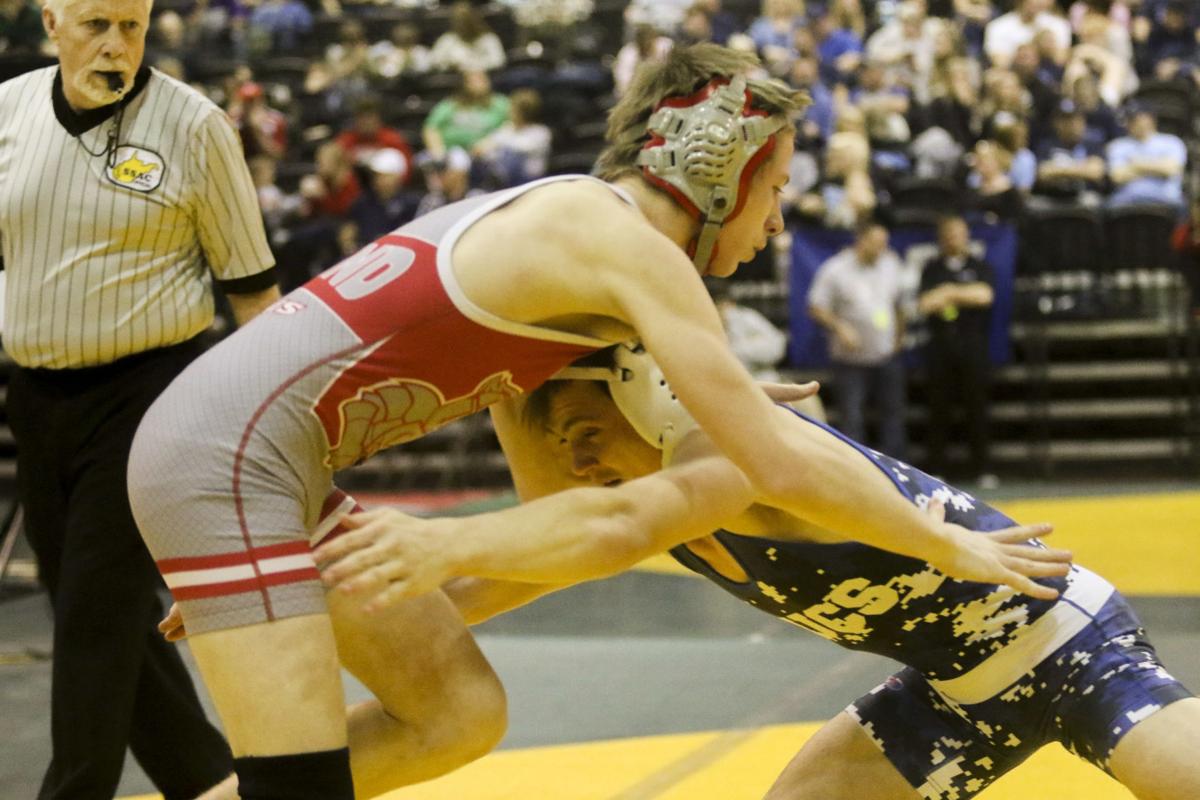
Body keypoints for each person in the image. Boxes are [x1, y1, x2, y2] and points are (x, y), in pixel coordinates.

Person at [127, 44, 1075, 800]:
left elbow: (553, 530)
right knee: (299, 787)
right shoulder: (622, 245)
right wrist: (942, 542)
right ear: (718, 169)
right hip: (230, 464)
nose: (779, 222)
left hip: (251, 466)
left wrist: (309, 595)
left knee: (456, 711)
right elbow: (777, 464)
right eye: (776, 188)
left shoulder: (571, 248)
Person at [313, 355, 1199, 800]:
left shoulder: (741, 458)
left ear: (653, 398)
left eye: (588, 430)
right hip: (952, 690)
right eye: (560, 446)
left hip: (1073, 647)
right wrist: (290, 618)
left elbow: (530, 544)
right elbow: (488, 589)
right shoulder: (654, 500)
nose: (579, 462)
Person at [0, 0, 281, 796]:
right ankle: (208, 782)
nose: (117, 45)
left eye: (132, 24)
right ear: (50, 22)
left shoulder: (195, 128)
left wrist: (284, 432)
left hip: (150, 395)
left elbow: (255, 295)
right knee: (109, 616)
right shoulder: (8, 111)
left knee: (92, 616)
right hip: (37, 398)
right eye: (96, 24)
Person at [808, 221, 908, 457]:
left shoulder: (891, 264)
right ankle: (856, 467)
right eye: (876, 244)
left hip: (886, 355)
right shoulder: (835, 269)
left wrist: (899, 336)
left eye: (884, 244)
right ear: (861, 241)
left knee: (893, 415)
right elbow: (816, 307)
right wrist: (839, 327)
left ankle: (897, 472)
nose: (881, 249)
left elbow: (900, 304)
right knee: (852, 417)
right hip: (850, 360)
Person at [917, 216, 996, 484]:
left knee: (977, 408)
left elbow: (985, 296)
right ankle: (937, 468)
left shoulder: (979, 265)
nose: (954, 238)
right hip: (940, 348)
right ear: (942, 238)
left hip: (973, 347)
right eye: (949, 234)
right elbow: (926, 303)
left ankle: (983, 468)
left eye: (959, 233)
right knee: (939, 409)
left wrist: (949, 292)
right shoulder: (932, 268)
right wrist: (961, 295)